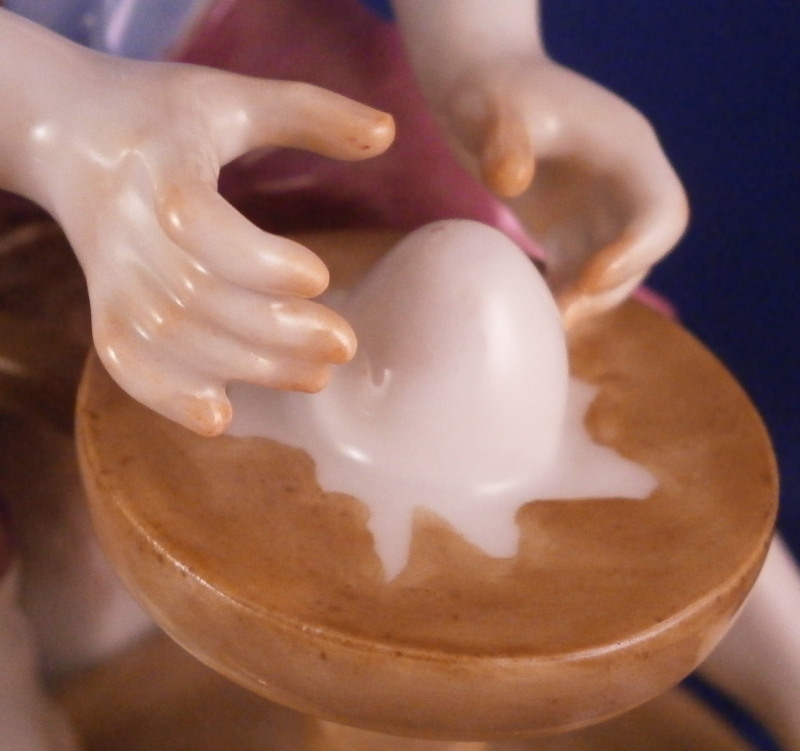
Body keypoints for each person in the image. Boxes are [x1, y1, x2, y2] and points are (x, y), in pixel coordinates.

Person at [0, 1, 794, 748]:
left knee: (497, 246)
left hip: (194, 40)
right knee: (70, 610)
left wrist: (484, 54)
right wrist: (49, 118)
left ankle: (772, 645)